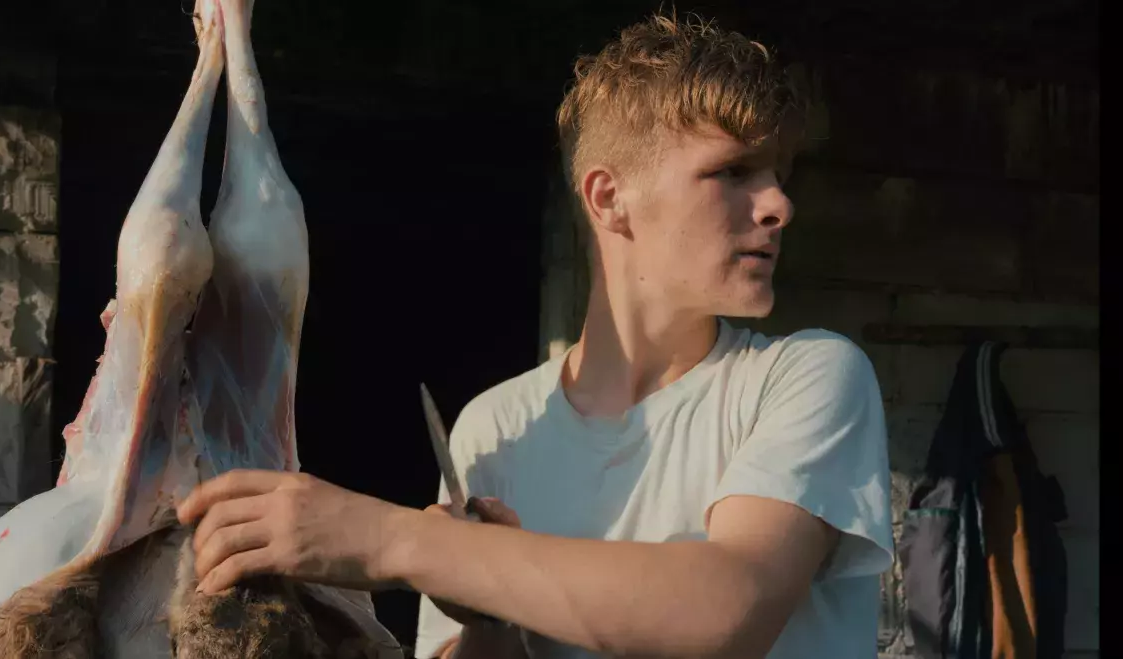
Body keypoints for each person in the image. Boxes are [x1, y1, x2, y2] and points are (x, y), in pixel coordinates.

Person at [176, 12, 894, 659]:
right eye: (733, 171)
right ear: (609, 199)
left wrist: (392, 539)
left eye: (777, 175)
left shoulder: (807, 377)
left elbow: (729, 609)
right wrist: (490, 615)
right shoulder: (495, 426)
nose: (779, 204)